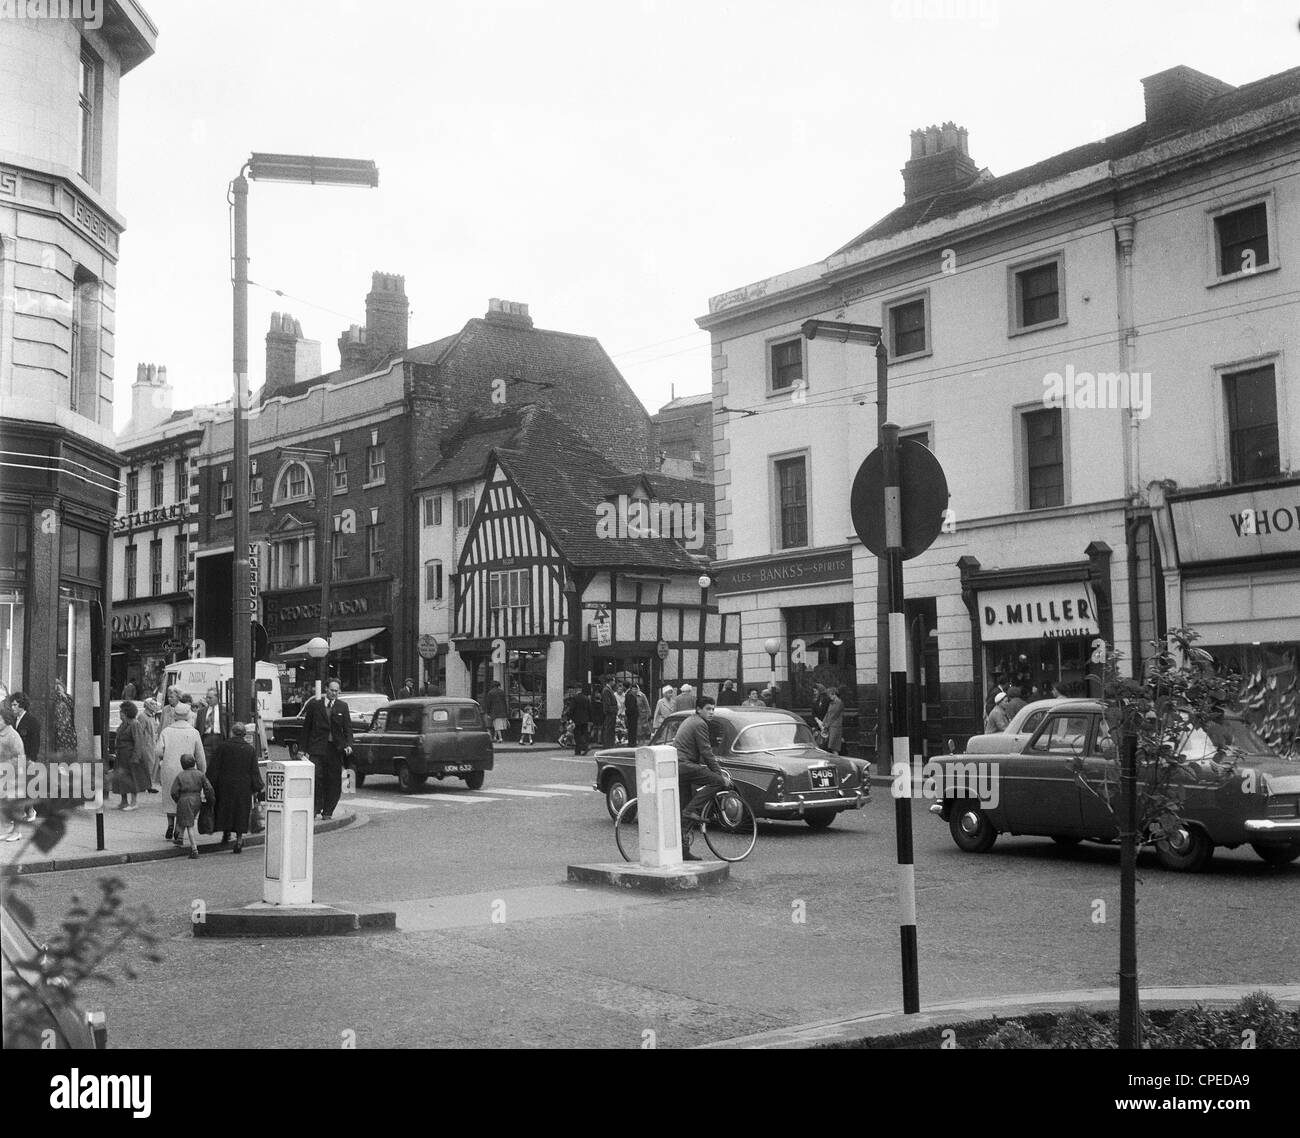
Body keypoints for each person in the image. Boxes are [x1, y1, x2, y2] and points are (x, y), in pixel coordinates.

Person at [675, 696, 731, 862]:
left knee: (684, 810)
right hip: (685, 765)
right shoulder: (700, 723)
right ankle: (692, 810)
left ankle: (683, 850)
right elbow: (706, 752)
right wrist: (719, 774)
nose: (711, 712)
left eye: (713, 709)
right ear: (698, 709)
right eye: (708, 708)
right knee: (717, 782)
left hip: (680, 765)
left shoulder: (691, 720)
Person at [208, 722, 264, 854]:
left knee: (225, 809)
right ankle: (239, 840)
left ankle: (225, 834)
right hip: (243, 786)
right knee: (240, 812)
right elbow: (254, 770)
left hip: (224, 784)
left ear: (232, 732)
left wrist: (209, 782)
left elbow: (214, 767)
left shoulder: (223, 747)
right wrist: (258, 786)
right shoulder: (249, 749)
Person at [303, 681, 353, 819]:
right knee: (316, 778)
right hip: (317, 748)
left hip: (335, 749)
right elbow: (307, 728)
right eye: (332, 690)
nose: (334, 693)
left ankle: (328, 811)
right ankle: (315, 807)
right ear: (326, 689)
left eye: (336, 691)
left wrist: (348, 744)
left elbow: (347, 727)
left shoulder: (342, 707)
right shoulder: (315, 705)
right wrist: (303, 748)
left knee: (333, 780)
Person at [157, 702, 205, 844]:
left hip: (169, 768)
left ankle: (170, 823)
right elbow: (200, 756)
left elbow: (159, 751)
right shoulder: (194, 732)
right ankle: (179, 829)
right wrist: (202, 771)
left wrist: (163, 760)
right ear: (188, 715)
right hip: (188, 770)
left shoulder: (166, 731)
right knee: (184, 800)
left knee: (170, 796)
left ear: (174, 715)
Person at [170, 753, 215, 860]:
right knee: (187, 818)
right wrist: (210, 800)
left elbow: (173, 792)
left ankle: (194, 849)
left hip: (184, 799)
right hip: (197, 799)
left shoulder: (180, 775)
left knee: (189, 824)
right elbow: (209, 788)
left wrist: (178, 800)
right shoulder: (200, 774)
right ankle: (179, 837)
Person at [111, 701, 151, 811]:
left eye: (121, 712)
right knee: (122, 779)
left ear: (126, 713)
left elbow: (138, 741)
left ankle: (134, 802)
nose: (120, 714)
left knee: (133, 779)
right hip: (121, 756)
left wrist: (136, 757)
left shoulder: (134, 724)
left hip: (130, 756)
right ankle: (123, 802)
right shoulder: (123, 724)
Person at [10, 692, 39, 822]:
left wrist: (32, 759)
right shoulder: (13, 720)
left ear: (22, 706)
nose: (12, 707)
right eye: (12, 705)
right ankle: (20, 812)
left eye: (15, 705)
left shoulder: (32, 721)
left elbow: (35, 742)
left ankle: (30, 811)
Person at [1, 704, 27, 841]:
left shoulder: (13, 736)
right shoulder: (1, 734)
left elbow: (19, 757)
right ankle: (9, 830)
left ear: (6, 721)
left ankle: (17, 832)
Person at [194, 687, 229, 764]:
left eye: (210, 698)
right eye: (207, 697)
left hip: (220, 739)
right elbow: (198, 727)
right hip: (206, 739)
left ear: (217, 697)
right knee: (206, 763)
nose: (207, 700)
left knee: (219, 762)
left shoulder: (225, 711)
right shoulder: (201, 712)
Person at [140, 697, 162, 791]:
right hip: (146, 745)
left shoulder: (153, 716)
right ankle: (145, 785)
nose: (155, 706)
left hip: (153, 744)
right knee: (147, 765)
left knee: (152, 765)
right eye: (152, 704)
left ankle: (148, 784)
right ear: (147, 705)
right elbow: (140, 731)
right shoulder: (143, 716)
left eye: (155, 704)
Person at [52, 677, 77, 757]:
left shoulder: (58, 701)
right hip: (70, 735)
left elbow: (60, 722)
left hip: (61, 736)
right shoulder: (68, 699)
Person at [567, 685, 592, 755]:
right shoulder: (586, 698)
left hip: (577, 720)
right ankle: (579, 749)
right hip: (585, 720)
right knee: (584, 734)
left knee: (577, 735)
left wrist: (569, 717)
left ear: (576, 689)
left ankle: (583, 747)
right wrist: (590, 719)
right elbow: (590, 709)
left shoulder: (575, 698)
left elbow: (572, 709)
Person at [821, 688, 844, 755]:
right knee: (831, 746)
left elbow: (834, 716)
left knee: (834, 746)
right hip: (830, 726)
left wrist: (826, 725)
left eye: (830, 695)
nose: (829, 697)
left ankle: (837, 761)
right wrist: (824, 722)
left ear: (834, 694)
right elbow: (828, 713)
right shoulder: (831, 703)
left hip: (835, 726)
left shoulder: (839, 703)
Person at [600, 677, 619, 748]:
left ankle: (610, 743)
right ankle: (607, 744)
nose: (614, 683)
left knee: (611, 728)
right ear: (610, 681)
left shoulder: (609, 690)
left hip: (612, 712)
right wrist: (612, 710)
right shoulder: (606, 690)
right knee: (608, 728)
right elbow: (607, 703)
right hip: (610, 713)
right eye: (613, 681)